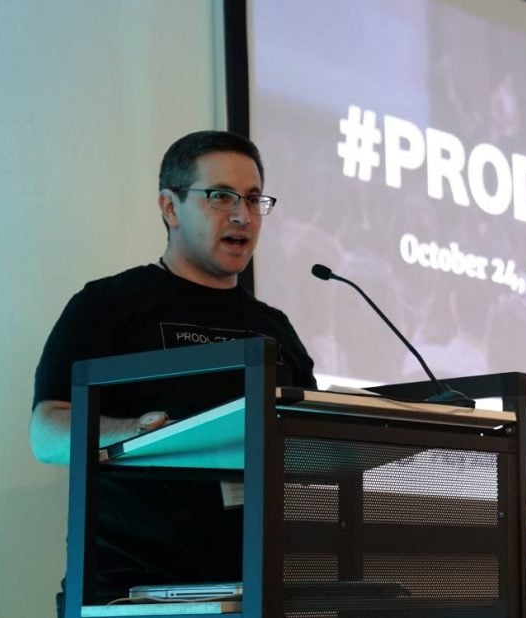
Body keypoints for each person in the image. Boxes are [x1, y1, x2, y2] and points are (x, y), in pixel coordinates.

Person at [30, 131, 317, 614]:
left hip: (255, 587)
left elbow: (310, 443)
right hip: (130, 590)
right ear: (170, 207)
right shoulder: (108, 304)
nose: (242, 216)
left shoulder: (275, 327)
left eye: (252, 199)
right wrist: (136, 432)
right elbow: (47, 433)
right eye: (221, 196)